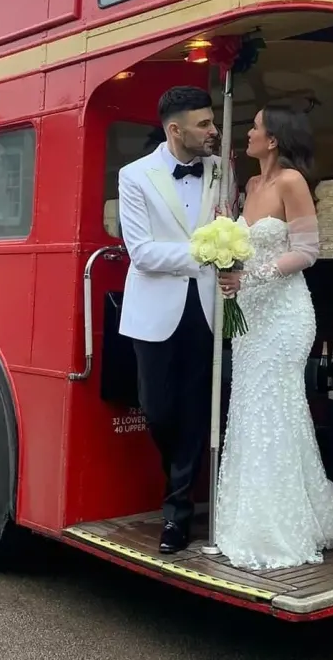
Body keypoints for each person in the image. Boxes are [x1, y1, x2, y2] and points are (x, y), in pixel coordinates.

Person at [212, 104, 333, 570]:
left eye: (254, 127)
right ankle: (252, 515)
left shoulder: (292, 183)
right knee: (251, 409)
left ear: (273, 140)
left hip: (286, 316)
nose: (248, 133)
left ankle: (279, 524)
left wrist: (251, 277)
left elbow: (308, 251)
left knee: (275, 408)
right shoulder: (250, 186)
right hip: (249, 318)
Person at [115, 85, 224, 555]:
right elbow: (141, 253)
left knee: (198, 410)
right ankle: (177, 479)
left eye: (213, 121)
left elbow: (232, 223)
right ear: (176, 130)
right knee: (158, 410)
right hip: (154, 313)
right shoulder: (133, 175)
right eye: (205, 124)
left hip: (206, 308)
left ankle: (177, 514)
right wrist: (208, 253)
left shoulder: (222, 172)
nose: (214, 130)